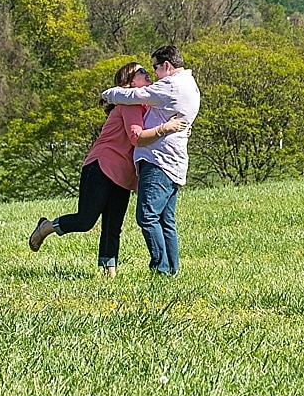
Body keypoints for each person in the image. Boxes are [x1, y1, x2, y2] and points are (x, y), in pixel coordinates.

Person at [29, 61, 187, 276]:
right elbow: (137, 137)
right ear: (131, 82)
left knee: (113, 226)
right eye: (142, 72)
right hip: (102, 166)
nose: (147, 73)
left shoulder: (147, 106)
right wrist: (166, 128)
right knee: (85, 220)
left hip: (124, 174)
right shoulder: (129, 104)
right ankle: (46, 227)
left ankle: (108, 275)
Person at [98, 44, 200, 276]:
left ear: (167, 65)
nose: (154, 74)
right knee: (165, 219)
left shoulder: (171, 85)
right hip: (173, 160)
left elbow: (135, 95)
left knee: (147, 215)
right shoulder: (190, 85)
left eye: (155, 68)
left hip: (159, 159)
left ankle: (161, 268)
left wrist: (108, 93)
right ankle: (171, 269)